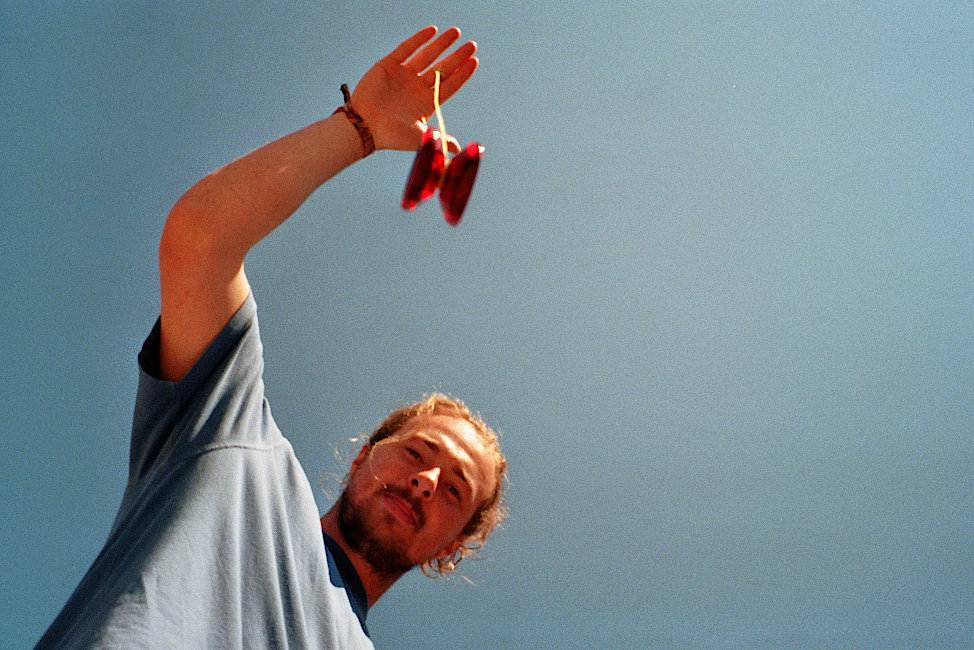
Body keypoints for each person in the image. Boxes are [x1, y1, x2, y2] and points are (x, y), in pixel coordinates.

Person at [37, 25, 506, 649]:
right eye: (418, 453)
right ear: (365, 457)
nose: (426, 481)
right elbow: (200, 244)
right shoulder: (233, 442)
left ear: (453, 546)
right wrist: (359, 127)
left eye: (453, 490)